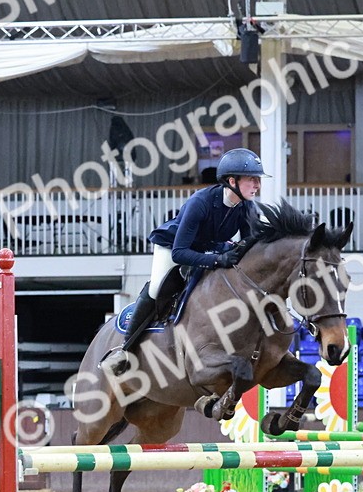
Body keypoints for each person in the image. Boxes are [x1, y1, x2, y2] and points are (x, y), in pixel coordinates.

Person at [101, 148, 267, 375]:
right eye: (252, 179)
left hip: (210, 248)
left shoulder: (247, 207)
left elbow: (249, 245)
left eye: (258, 180)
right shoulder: (200, 202)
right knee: (157, 288)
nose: (257, 185)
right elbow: (180, 253)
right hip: (173, 247)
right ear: (232, 181)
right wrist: (218, 259)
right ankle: (124, 349)